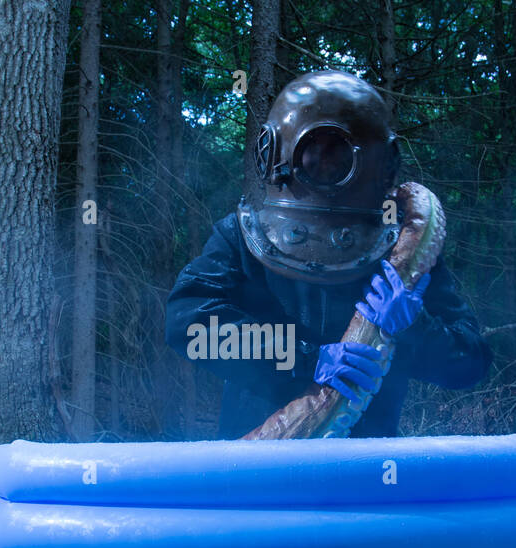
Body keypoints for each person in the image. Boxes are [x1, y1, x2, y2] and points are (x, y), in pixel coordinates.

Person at [166, 69, 492, 438]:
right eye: (313, 156)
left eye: (336, 158)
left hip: (369, 468)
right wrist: (303, 358)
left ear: (384, 164)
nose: (324, 168)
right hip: (258, 471)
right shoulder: (242, 239)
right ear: (273, 155)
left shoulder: (401, 253)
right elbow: (189, 327)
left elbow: (471, 363)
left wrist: (416, 327)